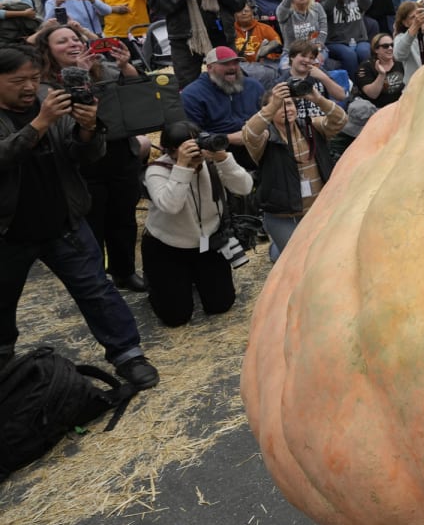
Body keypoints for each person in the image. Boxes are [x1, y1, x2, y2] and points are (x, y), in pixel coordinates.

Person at [0, 45, 159, 387]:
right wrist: (41, 123)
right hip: (8, 230)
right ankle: (5, 363)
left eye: (34, 78)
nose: (29, 87)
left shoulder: (49, 97)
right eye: (18, 81)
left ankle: (128, 354)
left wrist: (88, 130)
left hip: (63, 221)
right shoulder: (44, 110)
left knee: (96, 290)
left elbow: (80, 156)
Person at [35, 19, 150, 291]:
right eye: (62, 41)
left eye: (75, 38)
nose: (72, 43)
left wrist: (124, 65)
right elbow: (66, 119)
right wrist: (79, 77)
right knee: (93, 225)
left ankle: (124, 272)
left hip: (120, 155)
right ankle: (98, 280)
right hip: (83, 164)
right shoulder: (44, 85)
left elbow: (138, 94)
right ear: (48, 51)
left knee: (123, 219)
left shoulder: (104, 68)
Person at [140, 121, 254, 326]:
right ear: (172, 149)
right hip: (167, 247)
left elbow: (244, 187)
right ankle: (161, 284)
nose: (196, 153)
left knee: (221, 305)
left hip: (207, 242)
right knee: (176, 318)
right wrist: (183, 167)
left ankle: (189, 281)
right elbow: (171, 206)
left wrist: (224, 159)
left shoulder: (210, 163)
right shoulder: (157, 171)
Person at [241, 79, 346, 263]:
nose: (286, 109)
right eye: (279, 107)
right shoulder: (266, 138)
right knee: (295, 261)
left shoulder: (311, 126)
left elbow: (341, 120)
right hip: (284, 216)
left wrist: (318, 99)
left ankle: (279, 249)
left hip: (318, 210)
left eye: (289, 103)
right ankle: (278, 250)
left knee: (322, 256)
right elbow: (249, 133)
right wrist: (272, 104)